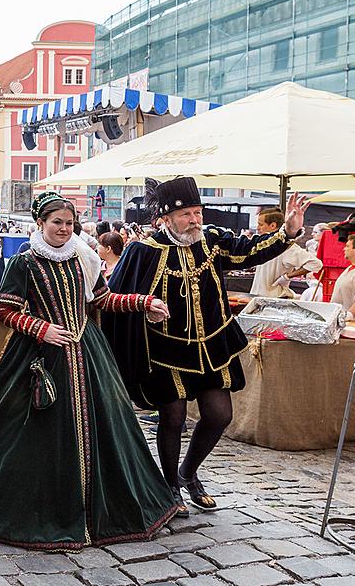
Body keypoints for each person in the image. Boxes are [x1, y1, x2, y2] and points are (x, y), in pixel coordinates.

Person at [0, 192, 177, 550]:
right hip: (37, 358)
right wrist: (43, 329)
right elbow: (5, 312)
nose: (64, 229)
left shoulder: (82, 258)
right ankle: (33, 509)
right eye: (57, 223)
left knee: (109, 427)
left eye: (69, 224)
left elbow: (101, 300)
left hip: (87, 353)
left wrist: (144, 301)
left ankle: (102, 511)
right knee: (23, 434)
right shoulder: (24, 262)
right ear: (41, 223)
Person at [104, 177, 309, 516]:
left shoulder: (212, 241)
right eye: (186, 214)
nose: (195, 220)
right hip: (165, 352)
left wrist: (286, 232)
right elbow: (113, 294)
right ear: (166, 218)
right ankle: (170, 484)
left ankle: (189, 472)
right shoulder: (145, 250)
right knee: (173, 417)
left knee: (219, 415)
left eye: (198, 212)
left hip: (211, 348)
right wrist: (144, 304)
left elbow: (250, 252)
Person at [250, 208, 323, 299]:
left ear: (272, 225)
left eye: (260, 224)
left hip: (274, 299)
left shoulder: (287, 248)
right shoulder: (263, 244)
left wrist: (287, 277)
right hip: (259, 296)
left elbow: (316, 264)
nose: (257, 228)